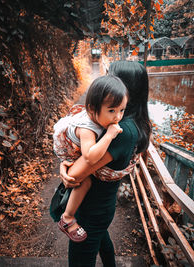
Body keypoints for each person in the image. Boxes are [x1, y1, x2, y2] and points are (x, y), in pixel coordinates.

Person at [60, 61, 151, 267]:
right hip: (101, 205)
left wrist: (65, 167)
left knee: (80, 260)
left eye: (113, 77)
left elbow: (76, 173)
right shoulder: (128, 121)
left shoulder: (121, 130)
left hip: (91, 210)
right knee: (102, 240)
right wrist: (63, 163)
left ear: (126, 88)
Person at [53, 75, 129, 242]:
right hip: (70, 149)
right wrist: (109, 135)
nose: (117, 117)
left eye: (122, 110)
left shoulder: (100, 117)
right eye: (112, 111)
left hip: (77, 145)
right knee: (85, 181)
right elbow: (90, 157)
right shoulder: (88, 129)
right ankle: (66, 218)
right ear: (92, 109)